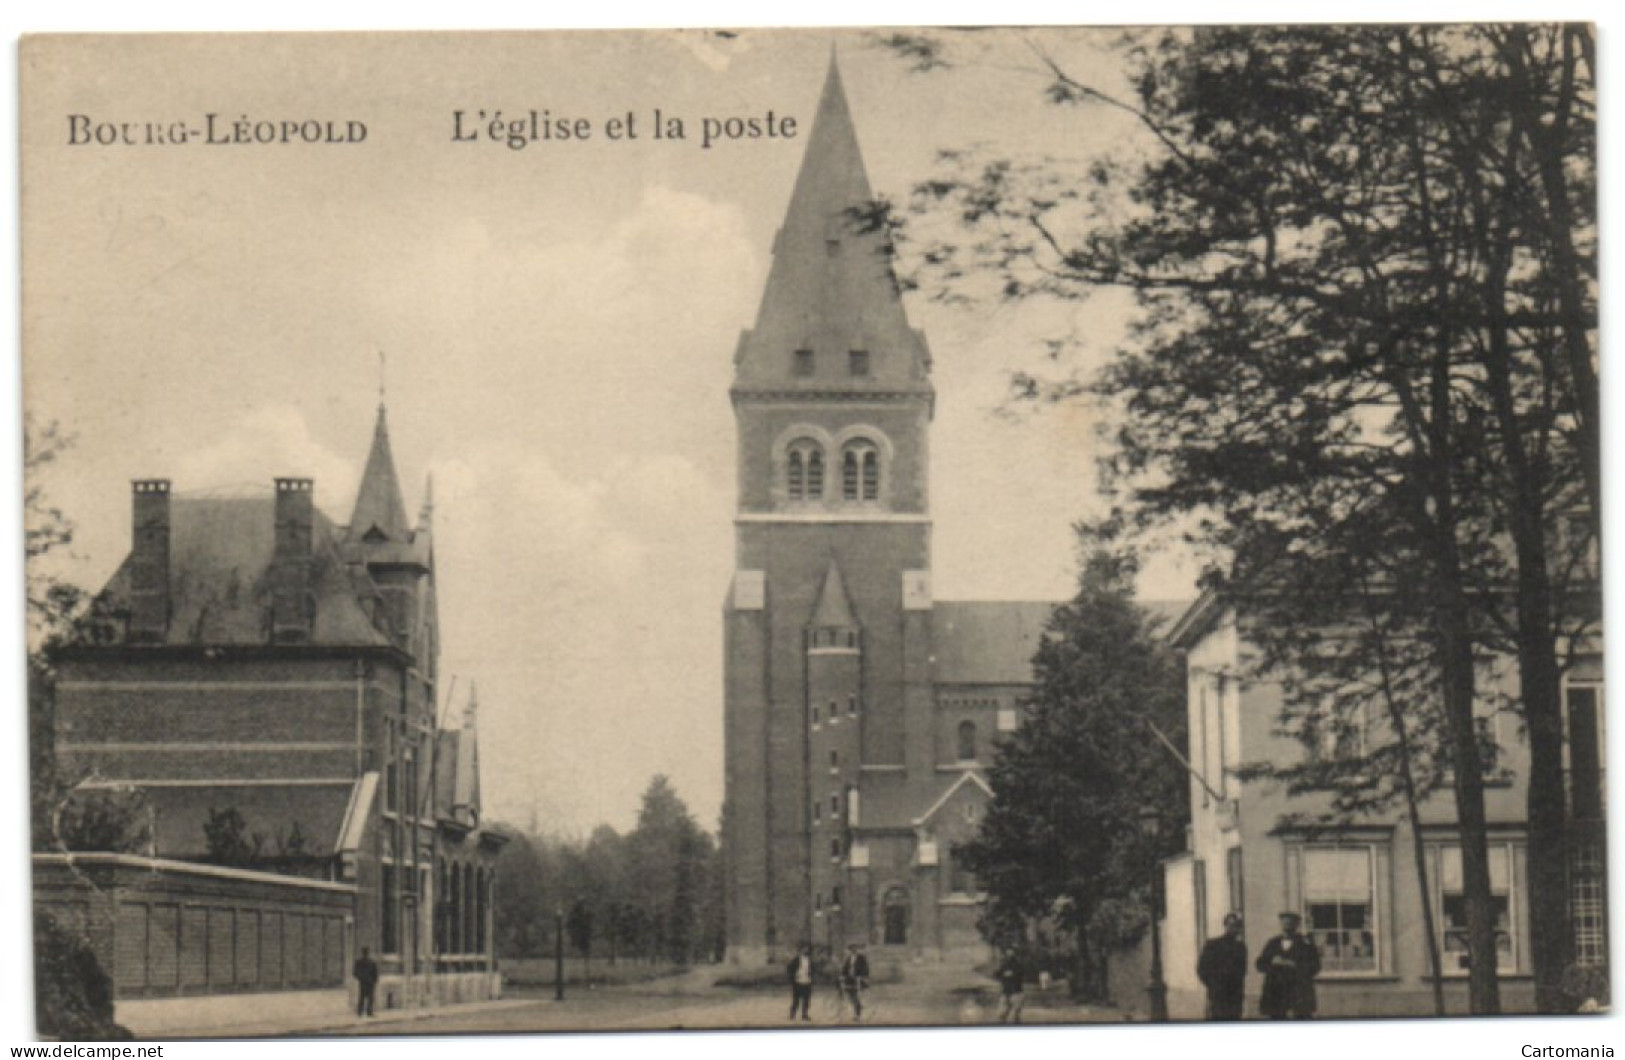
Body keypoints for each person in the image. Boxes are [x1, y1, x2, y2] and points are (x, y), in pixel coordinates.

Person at [1256, 911, 1320, 1019]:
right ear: (1280, 924)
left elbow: (1316, 966)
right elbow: (1260, 964)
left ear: (1296, 925)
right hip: (1276, 991)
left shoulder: (1306, 944)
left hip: (1299, 991)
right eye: (1284, 922)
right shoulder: (1273, 943)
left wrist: (1295, 965)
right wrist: (1272, 962)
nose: (1287, 925)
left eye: (1291, 922)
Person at [1197, 912, 1249, 1020]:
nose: (1234, 929)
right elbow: (1202, 969)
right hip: (1218, 993)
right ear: (1225, 926)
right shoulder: (1213, 944)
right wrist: (1213, 984)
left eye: (1237, 926)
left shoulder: (1241, 947)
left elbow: (1242, 970)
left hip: (1235, 994)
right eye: (1231, 925)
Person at [837, 941, 870, 1022]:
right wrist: (842, 975)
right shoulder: (848, 958)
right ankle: (855, 1006)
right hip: (849, 979)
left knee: (856, 996)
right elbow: (844, 968)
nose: (853, 949)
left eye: (855, 948)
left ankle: (857, 1014)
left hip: (858, 979)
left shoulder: (861, 958)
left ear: (857, 949)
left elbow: (866, 968)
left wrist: (862, 976)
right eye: (852, 948)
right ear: (850, 949)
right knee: (850, 995)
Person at [786, 943, 815, 1021]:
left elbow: (813, 970)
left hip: (807, 982)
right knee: (796, 999)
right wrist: (793, 977)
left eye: (807, 949)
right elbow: (789, 968)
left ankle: (804, 1015)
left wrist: (811, 976)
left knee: (806, 1000)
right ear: (801, 950)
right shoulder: (796, 959)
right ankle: (792, 1014)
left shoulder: (810, 960)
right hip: (798, 982)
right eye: (804, 949)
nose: (806, 950)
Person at [996, 948, 1026, 1024]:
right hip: (1007, 991)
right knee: (1003, 1013)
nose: (1010, 955)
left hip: (1016, 991)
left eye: (1011, 954)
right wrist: (1004, 975)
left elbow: (1021, 974)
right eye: (1008, 954)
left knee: (1015, 1014)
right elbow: (997, 974)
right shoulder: (1004, 965)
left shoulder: (1018, 965)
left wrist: (1011, 975)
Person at [352, 947, 379, 1017]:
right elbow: (355, 972)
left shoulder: (371, 962)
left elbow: (375, 973)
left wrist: (374, 980)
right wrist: (362, 978)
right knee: (363, 997)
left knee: (368, 997)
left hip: (368, 982)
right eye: (365, 952)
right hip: (365, 982)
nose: (366, 954)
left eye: (366, 952)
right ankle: (362, 1012)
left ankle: (367, 1011)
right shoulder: (360, 962)